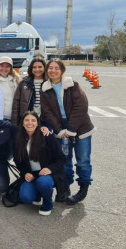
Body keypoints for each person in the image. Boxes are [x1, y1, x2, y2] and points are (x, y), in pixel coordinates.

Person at [40, 58, 95, 204]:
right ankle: (65, 188)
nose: (53, 70)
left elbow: (81, 107)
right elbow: (47, 112)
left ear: (62, 70)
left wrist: (70, 130)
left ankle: (83, 189)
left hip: (81, 128)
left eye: (56, 68)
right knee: (64, 161)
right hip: (60, 128)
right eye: (50, 68)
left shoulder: (73, 86)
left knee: (83, 160)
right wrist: (59, 130)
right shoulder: (45, 89)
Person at [14, 111, 67, 216]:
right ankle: (38, 194)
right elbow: (18, 161)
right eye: (27, 120)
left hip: (48, 174)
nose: (30, 123)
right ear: (22, 123)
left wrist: (50, 169)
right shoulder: (19, 138)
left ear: (38, 123)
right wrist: (25, 173)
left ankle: (48, 204)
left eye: (33, 120)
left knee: (43, 182)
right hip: (32, 174)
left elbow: (61, 159)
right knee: (26, 197)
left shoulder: (47, 136)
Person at [11, 57, 47, 126]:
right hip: (27, 119)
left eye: (40, 67)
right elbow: (16, 104)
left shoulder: (49, 83)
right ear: (31, 68)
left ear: (44, 68)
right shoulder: (24, 83)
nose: (37, 69)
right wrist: (15, 124)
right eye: (34, 67)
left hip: (44, 120)